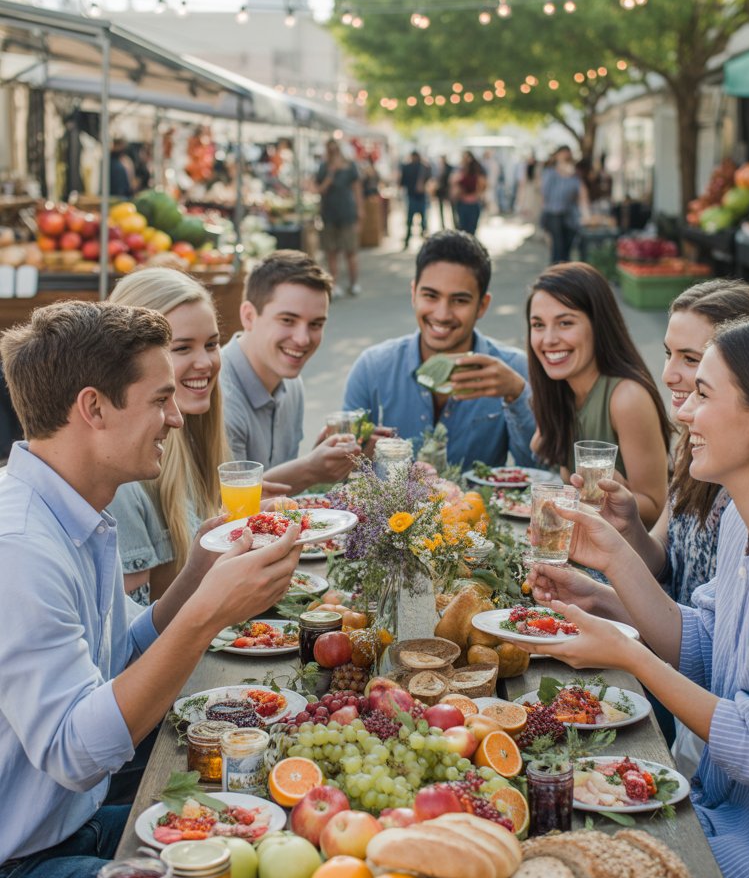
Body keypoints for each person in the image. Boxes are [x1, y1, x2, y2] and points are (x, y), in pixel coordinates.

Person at [0, 300, 300, 878]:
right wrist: (204, 616)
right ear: (92, 408)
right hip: (13, 876)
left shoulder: (74, 509)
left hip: (53, 831)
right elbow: (79, 750)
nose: (177, 417)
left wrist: (196, 575)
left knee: (258, 815)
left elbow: (109, 670)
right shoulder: (22, 548)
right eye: (160, 398)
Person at [528, 311, 749, 878]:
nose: (684, 412)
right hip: (730, 817)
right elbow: (700, 646)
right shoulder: (746, 526)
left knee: (564, 846)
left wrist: (626, 653)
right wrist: (608, 573)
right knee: (556, 811)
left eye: (703, 393)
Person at [531, 279, 749, 751]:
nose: (668, 375)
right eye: (669, 354)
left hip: (688, 685)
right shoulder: (699, 453)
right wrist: (627, 531)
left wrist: (620, 626)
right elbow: (668, 569)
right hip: (676, 650)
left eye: (691, 359)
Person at [342, 230, 536, 470]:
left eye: (459, 300)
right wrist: (353, 457)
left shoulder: (513, 370)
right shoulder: (372, 369)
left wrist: (517, 396)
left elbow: (538, 471)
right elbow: (341, 474)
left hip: (479, 507)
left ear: (482, 305)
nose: (442, 314)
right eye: (430, 296)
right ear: (414, 294)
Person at [107, 269, 231, 604]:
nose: (205, 362)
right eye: (181, 348)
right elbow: (132, 640)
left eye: (211, 344)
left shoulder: (192, 435)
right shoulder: (121, 478)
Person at [527, 263, 671, 528]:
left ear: (598, 325)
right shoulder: (559, 389)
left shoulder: (626, 398)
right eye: (538, 325)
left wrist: (616, 495)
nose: (548, 339)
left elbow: (656, 506)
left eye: (565, 323)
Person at [220, 251, 360, 493]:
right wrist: (310, 470)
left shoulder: (292, 383)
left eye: (316, 324)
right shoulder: (219, 396)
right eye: (287, 320)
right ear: (249, 316)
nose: (303, 339)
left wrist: (322, 462)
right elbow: (227, 509)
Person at [315, 138, 363, 297]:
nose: (333, 152)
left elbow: (357, 189)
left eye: (335, 149)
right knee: (331, 252)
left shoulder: (350, 166)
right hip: (329, 214)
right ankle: (334, 284)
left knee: (350, 251)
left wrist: (360, 210)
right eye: (330, 149)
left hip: (347, 213)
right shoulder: (323, 168)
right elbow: (319, 189)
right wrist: (330, 174)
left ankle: (354, 283)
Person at [540, 146, 588, 263]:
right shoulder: (550, 173)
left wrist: (586, 215)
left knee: (567, 248)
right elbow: (544, 194)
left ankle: (564, 272)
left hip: (569, 215)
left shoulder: (574, 176)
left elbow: (582, 195)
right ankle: (556, 272)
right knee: (558, 247)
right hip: (553, 214)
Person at [400, 150, 431, 249]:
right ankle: (421, 241)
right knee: (420, 220)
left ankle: (409, 241)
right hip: (416, 196)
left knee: (415, 220)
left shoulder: (410, 167)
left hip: (415, 196)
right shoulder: (424, 167)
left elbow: (402, 182)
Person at [452, 151, 487, 235]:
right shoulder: (460, 171)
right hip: (463, 203)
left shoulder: (477, 171)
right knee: (462, 230)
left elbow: (483, 185)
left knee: (471, 230)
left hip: (473, 203)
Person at [433, 156, 453, 228]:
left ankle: (454, 223)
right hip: (441, 191)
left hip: (447, 190)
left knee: (451, 208)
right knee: (441, 208)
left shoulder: (449, 168)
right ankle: (442, 224)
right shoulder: (439, 168)